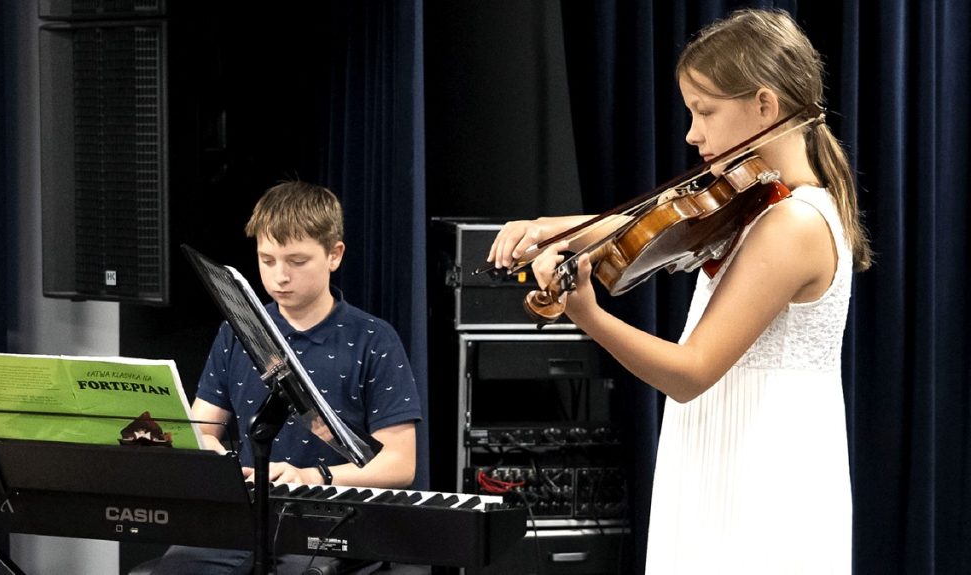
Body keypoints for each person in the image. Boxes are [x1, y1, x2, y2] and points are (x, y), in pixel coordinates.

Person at [487, 9, 870, 575]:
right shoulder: (758, 205)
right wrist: (554, 229)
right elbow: (660, 230)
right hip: (728, 453)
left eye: (705, 111)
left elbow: (691, 373)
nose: (692, 133)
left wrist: (590, 316)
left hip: (759, 473)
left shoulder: (793, 223)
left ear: (765, 105)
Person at [150, 181, 424, 574]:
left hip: (333, 519)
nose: (280, 276)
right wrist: (218, 460)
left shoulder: (373, 339)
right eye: (267, 260)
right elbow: (201, 430)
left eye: (297, 261)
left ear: (334, 255)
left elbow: (400, 463)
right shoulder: (236, 332)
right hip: (243, 516)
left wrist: (311, 477)